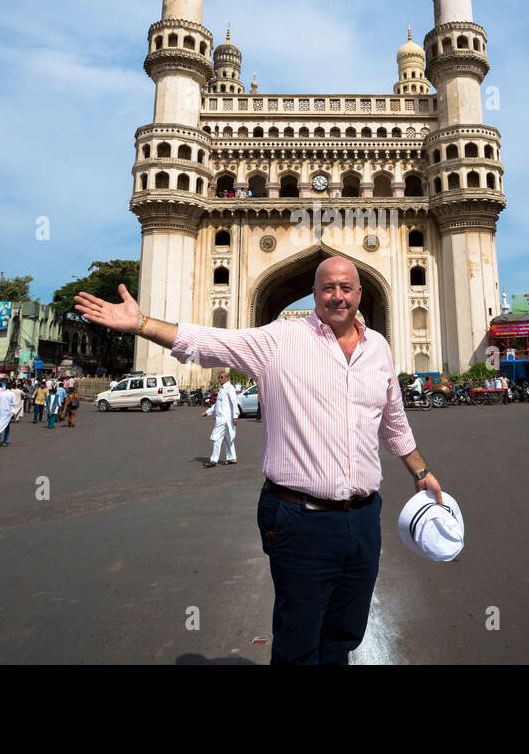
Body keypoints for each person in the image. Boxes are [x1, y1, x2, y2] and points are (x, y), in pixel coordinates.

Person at [75, 256, 442, 666]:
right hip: (299, 517)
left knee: (343, 634)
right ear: (313, 292)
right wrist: (142, 324)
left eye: (346, 288)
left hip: (362, 518)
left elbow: (394, 421)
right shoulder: (281, 340)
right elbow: (209, 342)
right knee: (299, 639)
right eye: (327, 287)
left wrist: (421, 471)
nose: (337, 296)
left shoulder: (379, 348)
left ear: (360, 293)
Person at [201, 371, 240, 467]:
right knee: (228, 439)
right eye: (219, 377)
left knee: (216, 438)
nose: (219, 379)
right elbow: (217, 404)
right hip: (222, 419)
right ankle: (232, 458)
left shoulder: (229, 388)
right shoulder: (222, 389)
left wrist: (235, 416)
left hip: (225, 419)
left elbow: (234, 402)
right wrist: (208, 412)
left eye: (221, 377)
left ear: (227, 378)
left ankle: (213, 460)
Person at [0, 381, 14, 449]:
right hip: (7, 412)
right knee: (7, 427)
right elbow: (14, 403)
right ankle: (4, 442)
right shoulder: (12, 394)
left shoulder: (0, 394)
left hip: (0, 412)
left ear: (5, 387)